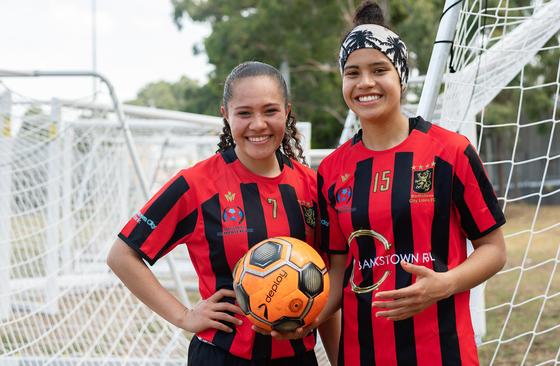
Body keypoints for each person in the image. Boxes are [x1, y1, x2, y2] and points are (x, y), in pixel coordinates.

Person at [107, 61, 338, 366]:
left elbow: (323, 287)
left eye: (270, 111)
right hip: (222, 357)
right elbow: (122, 256)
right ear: (225, 115)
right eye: (244, 113)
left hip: (297, 359)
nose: (258, 124)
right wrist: (184, 316)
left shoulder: (312, 186)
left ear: (286, 112)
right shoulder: (196, 184)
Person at [315, 2, 507, 365]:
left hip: (443, 351)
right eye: (352, 72)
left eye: (379, 70)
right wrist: (299, 319)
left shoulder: (451, 151)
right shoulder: (331, 169)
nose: (365, 83)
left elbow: (494, 249)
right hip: (363, 356)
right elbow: (338, 273)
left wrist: (445, 284)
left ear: (400, 76)